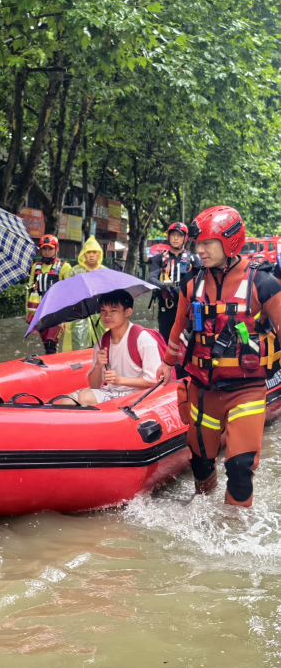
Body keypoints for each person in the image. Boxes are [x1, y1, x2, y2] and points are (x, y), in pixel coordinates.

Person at [156, 205, 281, 507]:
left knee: (240, 468)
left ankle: (234, 534)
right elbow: (178, 326)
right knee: (200, 464)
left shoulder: (263, 284)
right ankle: (203, 518)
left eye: (207, 243)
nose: (201, 250)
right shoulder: (192, 282)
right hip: (202, 390)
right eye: (198, 244)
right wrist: (167, 363)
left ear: (230, 241)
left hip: (246, 391)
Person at [74, 289, 162, 404]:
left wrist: (120, 380)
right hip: (111, 390)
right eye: (103, 310)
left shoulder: (143, 339)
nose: (107, 316)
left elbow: (155, 381)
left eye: (113, 310)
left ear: (128, 312)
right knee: (64, 402)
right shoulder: (102, 342)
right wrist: (98, 366)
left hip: (137, 393)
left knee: (85, 397)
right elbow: (94, 386)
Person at [148, 222, 201, 342]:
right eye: (173, 235)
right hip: (166, 306)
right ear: (168, 237)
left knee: (188, 340)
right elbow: (152, 278)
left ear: (185, 238)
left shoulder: (193, 258)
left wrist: (183, 288)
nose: (176, 238)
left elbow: (202, 279)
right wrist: (165, 287)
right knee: (165, 339)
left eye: (179, 235)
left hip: (187, 306)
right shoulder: (159, 259)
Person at [26, 234, 72, 354]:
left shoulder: (64, 267)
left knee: (52, 344)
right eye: (44, 249)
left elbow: (70, 292)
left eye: (50, 249)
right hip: (40, 312)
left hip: (57, 312)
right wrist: (28, 311)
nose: (47, 252)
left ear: (56, 249)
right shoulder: (36, 267)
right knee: (46, 345)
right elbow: (30, 289)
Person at [62, 235, 107, 352]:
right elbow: (66, 296)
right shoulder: (75, 272)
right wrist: (64, 318)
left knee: (104, 347)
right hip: (79, 316)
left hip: (101, 316)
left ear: (99, 254)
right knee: (79, 347)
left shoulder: (105, 272)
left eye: (94, 252)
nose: (91, 255)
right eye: (88, 252)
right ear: (83, 254)